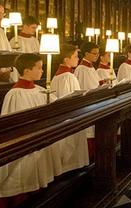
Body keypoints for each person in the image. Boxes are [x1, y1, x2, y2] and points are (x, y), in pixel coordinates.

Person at [0, 54, 62, 206]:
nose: (42, 70)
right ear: (26, 70)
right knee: (20, 174)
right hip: (25, 143)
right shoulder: (15, 94)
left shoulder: (40, 89)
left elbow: (56, 106)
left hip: (41, 138)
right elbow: (17, 123)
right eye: (39, 67)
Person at [50, 44, 89, 173]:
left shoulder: (59, 75)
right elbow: (70, 99)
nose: (78, 59)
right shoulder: (68, 76)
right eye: (76, 56)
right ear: (66, 59)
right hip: (71, 116)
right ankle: (71, 168)